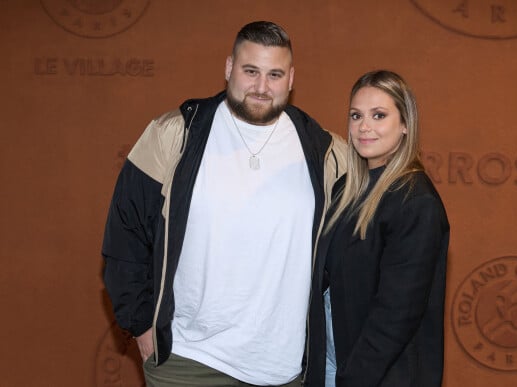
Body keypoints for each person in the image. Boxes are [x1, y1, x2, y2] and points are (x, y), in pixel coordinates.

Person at [102, 21, 346, 387]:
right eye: (251, 71)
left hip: (282, 369)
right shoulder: (173, 134)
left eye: (274, 74)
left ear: (291, 78)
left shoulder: (326, 153)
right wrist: (139, 323)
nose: (262, 87)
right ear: (229, 67)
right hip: (188, 362)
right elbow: (126, 232)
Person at [303, 70, 449, 387]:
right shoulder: (346, 190)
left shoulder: (415, 202)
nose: (364, 127)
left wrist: (352, 378)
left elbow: (396, 314)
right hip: (331, 360)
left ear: (405, 124)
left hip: (375, 375)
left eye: (378, 115)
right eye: (356, 115)